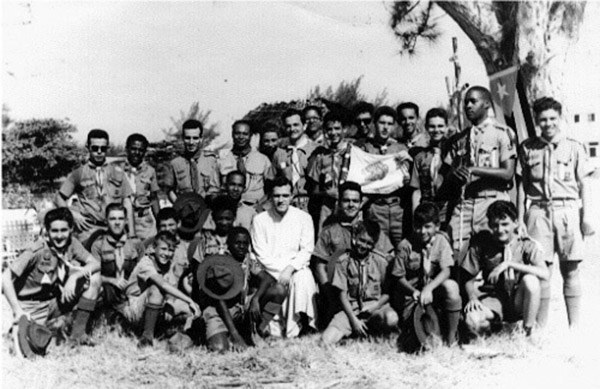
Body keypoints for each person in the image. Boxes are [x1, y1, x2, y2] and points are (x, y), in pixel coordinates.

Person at [517, 97, 594, 329]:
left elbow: (583, 185)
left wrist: (586, 217)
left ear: (560, 119)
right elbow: (522, 185)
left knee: (571, 270)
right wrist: (521, 218)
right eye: (543, 119)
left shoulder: (574, 147)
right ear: (537, 121)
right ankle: (540, 329)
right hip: (538, 212)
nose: (548, 124)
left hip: (567, 211)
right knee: (542, 271)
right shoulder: (528, 147)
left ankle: (575, 327)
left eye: (552, 119)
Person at [2, 208, 101, 345]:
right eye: (54, 231)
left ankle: (77, 335)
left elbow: (95, 264)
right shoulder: (37, 250)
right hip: (31, 306)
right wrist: (18, 311)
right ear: (47, 231)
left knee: (94, 279)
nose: (59, 236)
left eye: (64, 230)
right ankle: (39, 328)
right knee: (28, 346)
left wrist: (75, 277)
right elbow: (5, 277)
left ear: (71, 229)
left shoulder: (72, 243)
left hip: (53, 302)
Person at [441, 86, 517, 258]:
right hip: (465, 203)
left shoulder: (502, 133)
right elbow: (447, 175)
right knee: (455, 255)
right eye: (466, 102)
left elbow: (508, 173)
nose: (468, 105)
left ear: (487, 104)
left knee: (493, 257)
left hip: (492, 201)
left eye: (473, 101)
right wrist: (454, 174)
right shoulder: (459, 139)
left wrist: (474, 169)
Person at [312, 181, 393, 327]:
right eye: (346, 200)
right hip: (339, 295)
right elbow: (319, 265)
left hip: (369, 296)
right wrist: (329, 294)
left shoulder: (371, 229)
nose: (351, 205)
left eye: (355, 201)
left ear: (361, 203)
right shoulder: (329, 231)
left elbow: (388, 258)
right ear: (339, 202)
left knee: (388, 319)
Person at [462, 201, 548, 337]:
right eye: (495, 225)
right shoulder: (483, 244)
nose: (500, 230)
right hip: (495, 298)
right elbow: (468, 277)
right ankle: (496, 329)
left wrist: (509, 264)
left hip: (518, 299)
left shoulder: (525, 244)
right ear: (489, 225)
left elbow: (545, 273)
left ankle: (526, 333)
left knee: (531, 281)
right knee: (472, 319)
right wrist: (472, 298)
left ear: (515, 223)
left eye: (505, 224)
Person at [250, 176, 318, 338]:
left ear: (292, 196)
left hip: (294, 268)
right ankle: (273, 328)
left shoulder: (304, 218)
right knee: (280, 283)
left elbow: (307, 250)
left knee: (304, 276)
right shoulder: (260, 220)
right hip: (269, 270)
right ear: (270, 197)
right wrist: (281, 272)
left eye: (285, 196)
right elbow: (261, 253)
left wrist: (289, 269)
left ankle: (303, 326)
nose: (281, 200)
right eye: (277, 196)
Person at [113, 231, 201, 347]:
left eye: (171, 250)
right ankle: (147, 338)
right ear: (153, 248)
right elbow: (163, 285)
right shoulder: (146, 263)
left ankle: (178, 334)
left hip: (155, 305)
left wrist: (172, 302)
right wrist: (189, 299)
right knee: (156, 289)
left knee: (190, 308)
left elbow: (171, 289)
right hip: (133, 308)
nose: (167, 253)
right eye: (163, 249)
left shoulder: (169, 265)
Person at [390, 202, 461, 345]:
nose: (422, 231)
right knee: (417, 338)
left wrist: (429, 289)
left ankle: (452, 338)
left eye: (427, 227)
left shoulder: (441, 241)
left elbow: (446, 270)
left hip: (434, 292)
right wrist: (414, 291)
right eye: (418, 226)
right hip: (413, 297)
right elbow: (398, 277)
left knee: (451, 286)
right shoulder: (405, 246)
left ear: (437, 226)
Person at [196, 227, 276, 352]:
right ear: (229, 245)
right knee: (220, 349)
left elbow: (268, 278)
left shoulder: (248, 260)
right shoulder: (220, 265)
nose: (241, 247)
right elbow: (220, 302)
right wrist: (235, 336)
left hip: (239, 309)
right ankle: (219, 334)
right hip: (218, 312)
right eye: (237, 243)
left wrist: (255, 299)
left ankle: (258, 329)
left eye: (245, 243)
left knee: (279, 290)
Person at [321, 220, 398, 345]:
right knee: (326, 340)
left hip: (374, 309)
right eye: (361, 240)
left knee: (391, 318)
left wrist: (376, 305)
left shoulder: (380, 262)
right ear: (354, 237)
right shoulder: (343, 262)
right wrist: (353, 320)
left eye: (369, 243)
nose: (364, 246)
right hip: (350, 310)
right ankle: (355, 332)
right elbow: (342, 295)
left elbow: (388, 292)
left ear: (374, 244)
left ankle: (370, 333)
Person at [55, 129, 135, 244]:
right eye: (95, 148)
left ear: (107, 148)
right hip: (88, 230)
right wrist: (72, 214)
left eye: (103, 149)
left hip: (114, 229)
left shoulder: (118, 172)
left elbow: (127, 202)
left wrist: (131, 234)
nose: (99, 152)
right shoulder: (78, 173)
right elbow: (59, 198)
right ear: (88, 147)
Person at [359, 106, 412, 248]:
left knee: (401, 248)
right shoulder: (365, 150)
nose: (385, 128)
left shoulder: (401, 149)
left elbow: (409, 178)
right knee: (378, 250)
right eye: (382, 123)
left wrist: (408, 173)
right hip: (376, 207)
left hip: (398, 208)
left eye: (389, 124)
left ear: (394, 126)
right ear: (374, 124)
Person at [91, 203, 145, 312]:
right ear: (106, 221)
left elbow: (145, 270)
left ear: (126, 221)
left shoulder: (136, 243)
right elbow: (94, 276)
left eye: (120, 219)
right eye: (112, 219)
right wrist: (112, 280)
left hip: (133, 292)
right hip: (109, 293)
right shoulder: (98, 245)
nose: (117, 223)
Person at [306, 111, 353, 234]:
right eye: (329, 129)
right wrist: (327, 193)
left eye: (337, 128)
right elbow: (314, 191)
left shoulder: (353, 153)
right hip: (328, 208)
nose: (333, 133)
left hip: (350, 206)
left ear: (344, 129)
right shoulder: (320, 156)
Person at [217, 120, 273, 207]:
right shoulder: (222, 159)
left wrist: (261, 207)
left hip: (256, 208)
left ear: (250, 135)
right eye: (237, 133)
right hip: (229, 209)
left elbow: (271, 190)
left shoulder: (263, 159)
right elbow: (214, 188)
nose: (241, 137)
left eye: (245, 134)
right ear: (232, 135)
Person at [410, 108, 451, 229]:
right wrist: (415, 217)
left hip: (448, 210)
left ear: (446, 127)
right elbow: (416, 191)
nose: (436, 130)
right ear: (426, 127)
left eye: (440, 126)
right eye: (432, 126)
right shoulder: (420, 157)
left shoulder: (453, 153)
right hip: (427, 212)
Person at [162, 119, 219, 203]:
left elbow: (216, 188)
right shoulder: (175, 163)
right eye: (187, 138)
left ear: (201, 138)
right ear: (182, 138)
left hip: (207, 209)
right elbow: (169, 190)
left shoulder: (211, 161)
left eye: (195, 138)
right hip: (185, 209)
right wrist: (180, 206)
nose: (191, 142)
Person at [273, 108, 319, 212]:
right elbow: (272, 181)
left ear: (304, 125)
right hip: (286, 205)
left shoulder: (316, 150)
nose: (292, 129)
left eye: (296, 125)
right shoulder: (279, 153)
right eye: (288, 126)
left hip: (310, 204)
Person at [118, 133, 160, 240]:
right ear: (126, 149)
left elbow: (154, 198)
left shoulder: (150, 171)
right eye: (133, 149)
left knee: (148, 251)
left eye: (141, 150)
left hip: (144, 221)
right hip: (123, 220)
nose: (137, 153)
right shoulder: (117, 170)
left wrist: (160, 222)